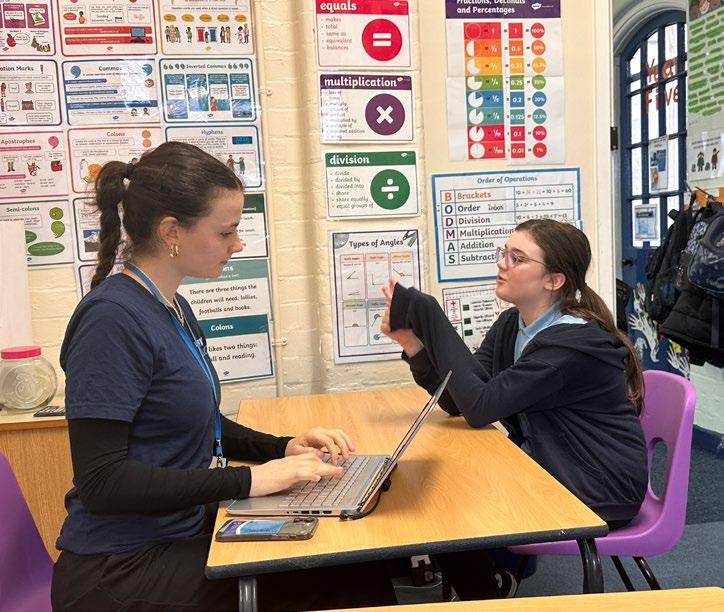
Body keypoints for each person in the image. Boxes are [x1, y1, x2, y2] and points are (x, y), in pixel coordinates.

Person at [51, 142, 397, 611]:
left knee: (359, 561)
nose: (237, 245)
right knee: (346, 580)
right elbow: (103, 482)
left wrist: (282, 448)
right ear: (171, 231)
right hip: (120, 568)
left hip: (178, 534)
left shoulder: (171, 305)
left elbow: (198, 422)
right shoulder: (111, 320)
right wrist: (250, 481)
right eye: (226, 232)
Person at [381, 218, 648, 600]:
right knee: (438, 490)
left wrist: (427, 312)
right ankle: (488, 586)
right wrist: (412, 342)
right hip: (551, 466)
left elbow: (480, 407)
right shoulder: (513, 325)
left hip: (597, 486)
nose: (502, 263)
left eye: (517, 258)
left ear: (553, 280)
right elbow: (460, 400)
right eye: (504, 253)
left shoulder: (571, 345)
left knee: (445, 500)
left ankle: (484, 592)